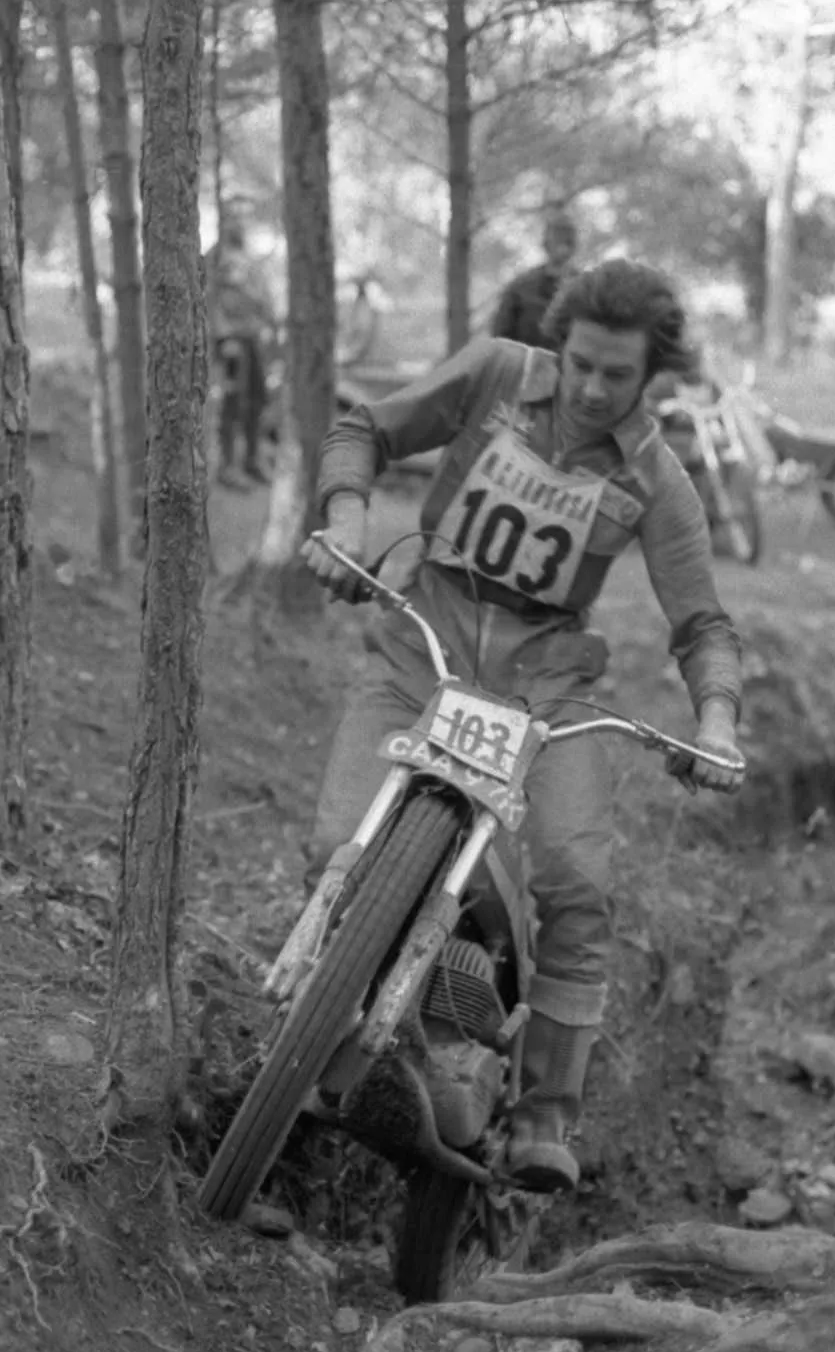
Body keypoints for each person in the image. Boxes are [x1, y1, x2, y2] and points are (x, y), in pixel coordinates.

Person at [302, 258, 745, 1195]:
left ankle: (544, 1115)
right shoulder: (496, 374)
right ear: (559, 345)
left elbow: (702, 623)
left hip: (544, 684)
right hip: (424, 642)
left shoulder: (655, 478)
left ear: (650, 376)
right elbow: (366, 429)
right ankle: (323, 1027)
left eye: (616, 374)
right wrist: (345, 521)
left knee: (578, 881)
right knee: (338, 842)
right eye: (580, 363)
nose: (592, 388)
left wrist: (715, 723)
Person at [204, 210, 276, 486]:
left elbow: (262, 298)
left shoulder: (249, 259)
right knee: (231, 402)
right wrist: (223, 337)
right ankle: (227, 466)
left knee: (257, 399)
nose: (239, 224)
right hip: (232, 341)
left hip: (253, 339)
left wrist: (268, 323)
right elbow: (211, 299)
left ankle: (252, 460)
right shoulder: (216, 257)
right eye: (233, 218)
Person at [490, 209, 580, 350]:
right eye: (557, 240)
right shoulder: (520, 289)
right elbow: (500, 338)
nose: (562, 249)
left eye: (567, 242)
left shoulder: (587, 291)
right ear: (546, 244)